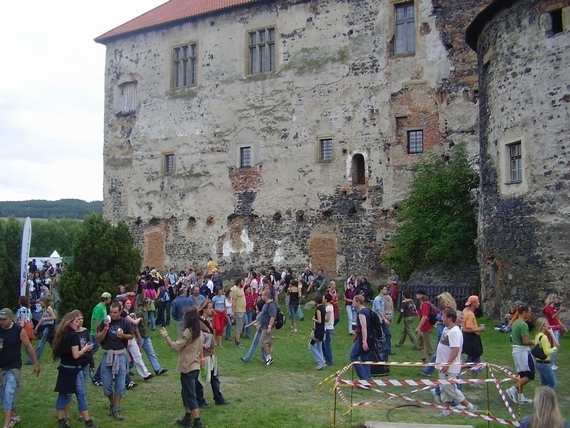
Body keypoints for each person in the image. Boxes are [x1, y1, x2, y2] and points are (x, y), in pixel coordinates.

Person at [52, 311, 99, 428]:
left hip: (63, 368)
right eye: (76, 321)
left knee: (63, 394)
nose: (78, 324)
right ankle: (88, 423)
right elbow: (76, 355)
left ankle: (61, 422)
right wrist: (85, 349)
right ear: (70, 322)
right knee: (81, 394)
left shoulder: (62, 334)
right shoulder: (73, 336)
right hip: (73, 370)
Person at [160, 308, 204, 428]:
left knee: (190, 396)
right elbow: (200, 350)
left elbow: (175, 346)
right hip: (195, 367)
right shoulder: (199, 333)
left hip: (188, 368)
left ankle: (197, 422)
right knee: (186, 393)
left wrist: (166, 336)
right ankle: (187, 418)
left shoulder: (188, 333)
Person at [0, 308, 41, 428]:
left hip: (13, 367)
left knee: (8, 394)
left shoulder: (18, 330)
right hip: (1, 368)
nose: (1, 322)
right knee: (4, 395)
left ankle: (5, 425)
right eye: (0, 319)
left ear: (10, 318)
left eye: (4, 319)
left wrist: (36, 364)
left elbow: (28, 346)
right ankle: (15, 416)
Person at [435, 309, 477, 418]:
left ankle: (471, 408)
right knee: (444, 389)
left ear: (449, 319)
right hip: (443, 365)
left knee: (451, 390)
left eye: (443, 317)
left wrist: (447, 364)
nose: (441, 319)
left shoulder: (454, 332)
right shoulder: (446, 329)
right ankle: (445, 412)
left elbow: (455, 349)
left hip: (449, 368)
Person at [95, 302, 134, 421]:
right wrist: (106, 328)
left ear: (120, 311)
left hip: (120, 355)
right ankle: (112, 403)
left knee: (120, 383)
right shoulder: (105, 322)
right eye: (111, 312)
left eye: (115, 312)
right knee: (106, 383)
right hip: (107, 354)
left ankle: (116, 408)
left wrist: (123, 336)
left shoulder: (124, 322)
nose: (112, 315)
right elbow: (99, 338)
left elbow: (131, 336)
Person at [196, 300, 230, 407]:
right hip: (205, 355)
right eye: (210, 308)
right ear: (204, 309)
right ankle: (200, 400)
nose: (212, 310)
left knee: (215, 377)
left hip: (211, 354)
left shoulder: (207, 321)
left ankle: (218, 398)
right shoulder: (199, 323)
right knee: (202, 378)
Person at [506, 304, 535, 405]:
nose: (530, 314)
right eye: (529, 312)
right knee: (529, 374)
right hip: (523, 351)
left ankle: (520, 396)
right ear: (524, 312)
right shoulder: (523, 325)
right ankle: (513, 389)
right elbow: (526, 341)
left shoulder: (515, 323)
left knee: (521, 374)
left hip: (516, 350)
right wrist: (535, 341)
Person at [135, 299, 168, 376]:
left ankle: (158, 369)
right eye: (149, 303)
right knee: (135, 355)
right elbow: (135, 325)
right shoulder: (140, 313)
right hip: (141, 337)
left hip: (146, 336)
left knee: (151, 353)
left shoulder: (146, 311)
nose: (150, 305)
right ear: (145, 304)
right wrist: (138, 336)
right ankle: (128, 369)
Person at [89, 292, 111, 386]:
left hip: (102, 332)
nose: (110, 300)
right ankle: (87, 360)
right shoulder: (99, 307)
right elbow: (96, 319)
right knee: (92, 348)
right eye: (109, 298)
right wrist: (97, 331)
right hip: (96, 333)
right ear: (106, 299)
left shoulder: (104, 307)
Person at [462, 295, 485, 384]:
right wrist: (480, 329)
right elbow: (468, 329)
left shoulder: (465, 310)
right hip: (471, 338)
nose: (479, 303)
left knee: (475, 359)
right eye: (478, 302)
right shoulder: (470, 314)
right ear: (473, 303)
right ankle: (457, 368)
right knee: (474, 359)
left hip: (468, 337)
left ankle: (473, 382)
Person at [349, 295, 372, 380]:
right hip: (370, 337)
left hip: (363, 337)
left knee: (353, 356)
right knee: (365, 358)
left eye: (354, 301)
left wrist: (364, 341)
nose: (353, 303)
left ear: (358, 302)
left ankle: (364, 378)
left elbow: (364, 327)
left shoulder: (361, 313)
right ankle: (368, 378)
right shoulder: (368, 311)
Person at [533, 317, 559, 389]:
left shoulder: (537, 335)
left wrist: (551, 333)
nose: (548, 325)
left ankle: (541, 398)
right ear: (543, 326)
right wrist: (555, 348)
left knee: (544, 383)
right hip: (545, 364)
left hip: (539, 362)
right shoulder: (544, 337)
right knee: (552, 383)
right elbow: (547, 352)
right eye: (547, 324)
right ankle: (543, 395)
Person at [542, 293, 566, 370]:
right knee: (555, 346)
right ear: (552, 299)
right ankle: (550, 363)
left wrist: (562, 326)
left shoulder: (553, 308)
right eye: (556, 298)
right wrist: (560, 310)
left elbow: (557, 319)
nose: (557, 300)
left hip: (556, 328)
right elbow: (553, 317)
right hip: (552, 329)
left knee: (555, 346)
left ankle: (551, 362)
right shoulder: (548, 308)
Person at [257, 289, 278, 366]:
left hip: (268, 327)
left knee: (262, 342)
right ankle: (269, 358)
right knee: (268, 343)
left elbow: (272, 316)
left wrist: (269, 327)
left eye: (262, 295)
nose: (261, 296)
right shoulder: (265, 304)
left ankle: (269, 357)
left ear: (266, 296)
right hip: (264, 326)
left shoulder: (271, 305)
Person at [33, 295, 56, 362]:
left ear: (44, 302)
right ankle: (58, 355)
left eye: (41, 302)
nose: (40, 303)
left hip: (49, 327)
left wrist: (46, 318)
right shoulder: (44, 309)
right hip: (45, 326)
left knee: (42, 342)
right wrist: (37, 326)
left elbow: (54, 317)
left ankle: (36, 356)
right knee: (51, 342)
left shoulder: (49, 308)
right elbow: (41, 319)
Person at [373, 286, 394, 355]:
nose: (386, 290)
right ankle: (380, 349)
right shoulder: (377, 299)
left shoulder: (382, 299)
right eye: (385, 289)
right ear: (381, 290)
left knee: (388, 334)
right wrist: (384, 319)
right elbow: (378, 310)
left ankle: (387, 349)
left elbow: (382, 310)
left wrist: (385, 317)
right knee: (380, 335)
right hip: (378, 320)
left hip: (382, 319)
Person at [415, 288, 434, 364]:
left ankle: (434, 362)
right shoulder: (423, 303)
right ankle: (423, 359)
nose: (416, 295)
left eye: (417, 294)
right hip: (423, 328)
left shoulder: (425, 304)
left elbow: (425, 316)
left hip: (426, 328)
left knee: (428, 346)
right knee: (420, 342)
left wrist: (418, 327)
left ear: (421, 295)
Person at [308, 294, 326, 370]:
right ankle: (321, 362)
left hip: (318, 329)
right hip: (322, 329)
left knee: (311, 346)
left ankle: (321, 362)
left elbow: (319, 320)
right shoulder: (323, 308)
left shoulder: (318, 309)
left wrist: (313, 319)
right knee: (319, 346)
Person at [230, 278, 246, 348]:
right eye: (242, 282)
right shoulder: (235, 290)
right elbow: (233, 301)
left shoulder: (241, 289)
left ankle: (237, 341)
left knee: (241, 326)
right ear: (239, 282)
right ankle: (237, 343)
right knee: (239, 327)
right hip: (238, 310)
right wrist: (233, 311)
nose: (243, 283)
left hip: (243, 310)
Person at [323, 293, 335, 366]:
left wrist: (319, 318)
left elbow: (327, 319)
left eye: (324, 298)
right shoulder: (329, 306)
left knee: (327, 345)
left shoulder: (328, 308)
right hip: (328, 327)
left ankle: (329, 361)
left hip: (328, 328)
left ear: (326, 299)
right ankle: (327, 358)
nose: (322, 299)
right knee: (325, 344)